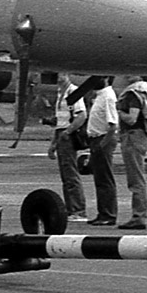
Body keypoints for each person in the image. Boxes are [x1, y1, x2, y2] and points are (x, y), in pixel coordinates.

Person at [115, 75, 147, 229]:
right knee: (136, 177)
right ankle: (138, 215)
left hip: (133, 136)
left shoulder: (134, 94)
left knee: (136, 179)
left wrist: (119, 111)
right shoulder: (146, 91)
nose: (127, 74)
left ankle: (139, 216)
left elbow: (131, 119)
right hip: (141, 136)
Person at [48, 75, 88, 223]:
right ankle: (71, 208)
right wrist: (53, 144)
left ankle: (78, 210)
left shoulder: (73, 92)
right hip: (61, 132)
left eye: (61, 74)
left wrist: (68, 131)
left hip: (67, 134)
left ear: (67, 75)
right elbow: (59, 121)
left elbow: (81, 115)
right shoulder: (60, 93)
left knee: (71, 173)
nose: (58, 77)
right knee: (65, 174)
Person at [83, 75, 120, 226]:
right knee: (99, 179)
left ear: (105, 78)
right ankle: (102, 212)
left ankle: (108, 214)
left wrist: (102, 144)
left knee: (105, 179)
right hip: (95, 139)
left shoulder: (108, 97)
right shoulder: (99, 96)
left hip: (102, 139)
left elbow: (113, 125)